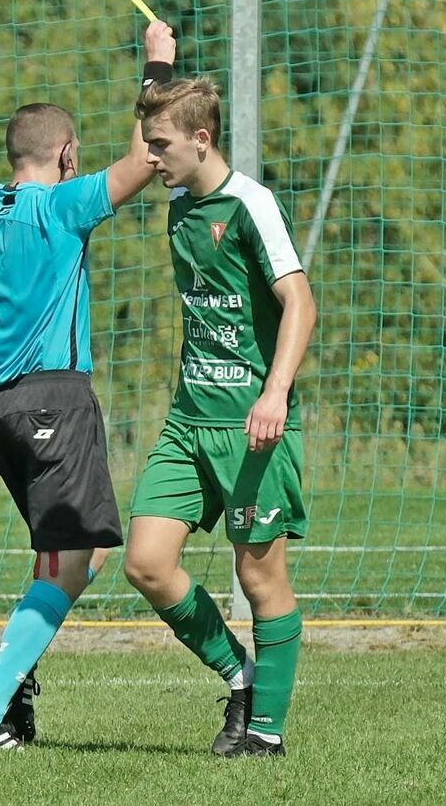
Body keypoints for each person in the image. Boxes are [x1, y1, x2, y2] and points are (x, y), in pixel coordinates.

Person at [0, 20, 177, 749]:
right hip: (56, 399)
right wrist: (156, 65)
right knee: (71, 561)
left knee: (80, 554)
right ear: (67, 154)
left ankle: (10, 681)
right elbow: (149, 156)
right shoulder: (62, 205)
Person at [122, 76, 317, 758]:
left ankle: (265, 733)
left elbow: (301, 302)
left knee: (261, 576)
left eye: (162, 145)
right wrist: (155, 70)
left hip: (251, 427)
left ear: (201, 140)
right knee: (145, 560)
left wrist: (275, 392)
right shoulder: (178, 199)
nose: (151, 157)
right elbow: (140, 143)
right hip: (188, 422)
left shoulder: (250, 205)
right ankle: (240, 676)